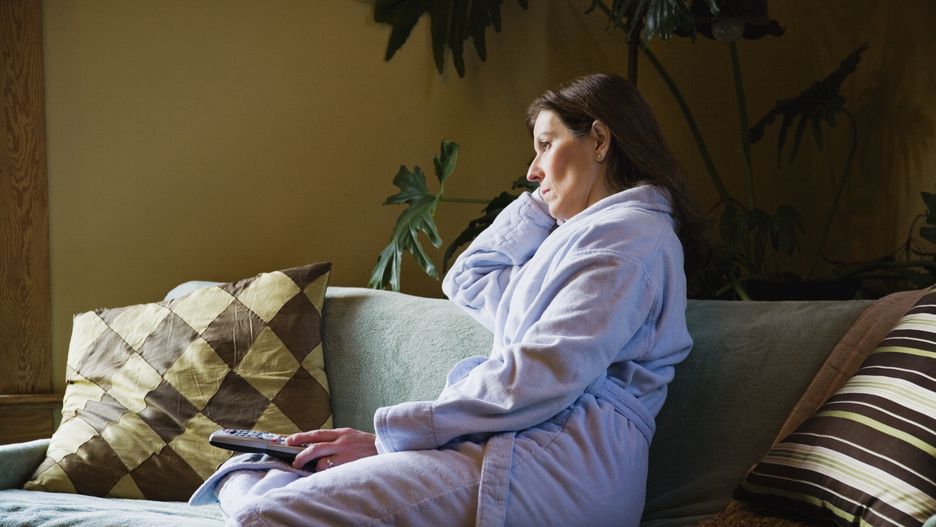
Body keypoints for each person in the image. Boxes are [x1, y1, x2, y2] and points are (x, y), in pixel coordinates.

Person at [189, 72, 707, 526]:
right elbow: (471, 277)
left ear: (600, 139)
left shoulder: (627, 240)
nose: (532, 170)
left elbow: (542, 374)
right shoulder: (589, 237)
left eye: (546, 145)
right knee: (261, 474)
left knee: (263, 513)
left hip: (562, 467)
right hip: (522, 448)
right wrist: (543, 201)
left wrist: (389, 438)